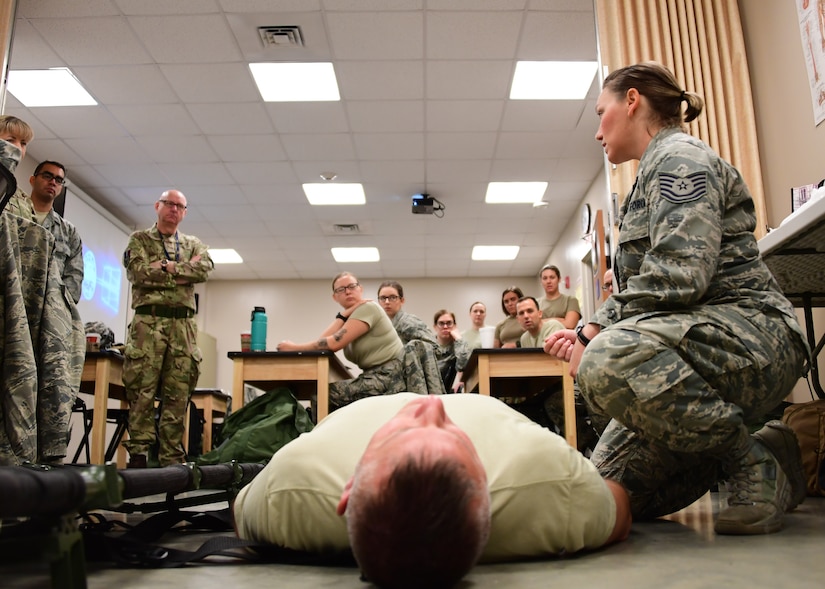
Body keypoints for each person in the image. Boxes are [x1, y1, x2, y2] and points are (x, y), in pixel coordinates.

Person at [544, 62, 809, 535]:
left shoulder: (678, 159)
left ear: (631, 101)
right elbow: (653, 294)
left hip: (754, 336)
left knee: (605, 358)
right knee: (608, 488)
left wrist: (594, 330)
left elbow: (681, 275)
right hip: (697, 349)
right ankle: (770, 444)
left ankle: (750, 463)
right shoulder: (645, 179)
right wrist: (595, 330)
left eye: (601, 111)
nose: (597, 131)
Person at [233, 393, 632, 589]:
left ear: (349, 489)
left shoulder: (294, 482)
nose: (431, 407)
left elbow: (238, 510)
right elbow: (621, 503)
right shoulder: (551, 478)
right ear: (488, 494)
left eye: (403, 433)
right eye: (450, 433)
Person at [122, 189, 214, 468]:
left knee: (178, 392)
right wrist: (181, 270)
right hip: (147, 324)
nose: (174, 209)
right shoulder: (139, 239)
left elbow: (205, 268)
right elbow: (138, 272)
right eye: (169, 204)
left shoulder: (193, 243)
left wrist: (163, 267)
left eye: (180, 206)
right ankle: (138, 453)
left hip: (183, 326)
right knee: (142, 390)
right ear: (157, 206)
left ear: (185, 213)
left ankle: (171, 456)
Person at [278, 272, 407, 410]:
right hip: (379, 376)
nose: (348, 291)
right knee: (324, 394)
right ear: (335, 297)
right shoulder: (352, 316)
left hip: (390, 378)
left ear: (360, 289)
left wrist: (294, 348)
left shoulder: (369, 308)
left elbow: (333, 343)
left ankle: (323, 432)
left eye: (352, 286)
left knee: (321, 396)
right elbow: (322, 342)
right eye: (341, 289)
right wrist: (343, 315)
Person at [29, 161, 84, 303]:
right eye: (47, 176)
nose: (53, 182)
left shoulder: (69, 233)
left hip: (47, 310)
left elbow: (74, 279)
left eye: (59, 180)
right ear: (33, 180)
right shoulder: (12, 214)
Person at [376, 280, 436, 346]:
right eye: (383, 298)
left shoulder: (409, 323)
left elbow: (434, 347)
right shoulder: (379, 325)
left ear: (402, 301)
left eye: (392, 297)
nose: (387, 302)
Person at [432, 310, 472, 393]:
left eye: (449, 323)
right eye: (441, 323)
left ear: (455, 326)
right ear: (435, 327)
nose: (445, 326)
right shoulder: (428, 345)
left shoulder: (459, 345)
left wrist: (459, 339)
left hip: (445, 391)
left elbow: (462, 366)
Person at [537, 264, 581, 328]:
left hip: (563, 338)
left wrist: (542, 322)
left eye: (552, 277)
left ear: (559, 279)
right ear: (541, 282)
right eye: (545, 278)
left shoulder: (570, 300)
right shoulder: (535, 303)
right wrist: (561, 320)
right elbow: (534, 325)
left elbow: (570, 325)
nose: (548, 281)